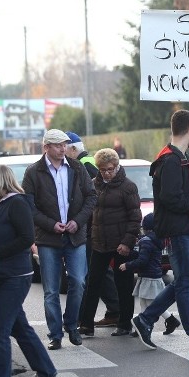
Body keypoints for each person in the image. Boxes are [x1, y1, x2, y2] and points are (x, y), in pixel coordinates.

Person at [131, 109, 189, 351]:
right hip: (178, 229)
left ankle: (145, 319)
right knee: (184, 284)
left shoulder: (177, 158)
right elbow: (171, 197)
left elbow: (180, 190)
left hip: (185, 228)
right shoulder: (171, 160)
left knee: (183, 281)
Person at [0, 165, 57, 377]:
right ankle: (46, 370)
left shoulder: (17, 204)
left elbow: (27, 238)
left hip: (13, 276)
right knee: (19, 327)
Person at [22, 129, 97, 350]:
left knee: (78, 281)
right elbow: (29, 206)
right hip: (48, 238)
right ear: (46, 147)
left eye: (64, 144)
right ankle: (55, 333)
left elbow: (92, 196)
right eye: (57, 145)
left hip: (75, 235)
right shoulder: (34, 172)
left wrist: (78, 221)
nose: (62, 148)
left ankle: (71, 324)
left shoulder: (76, 167)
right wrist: (50, 224)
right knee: (51, 289)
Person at [79, 148, 141, 337]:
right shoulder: (93, 185)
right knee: (92, 283)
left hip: (121, 243)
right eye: (103, 169)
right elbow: (89, 212)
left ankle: (124, 324)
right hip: (99, 242)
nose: (107, 173)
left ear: (116, 167)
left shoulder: (128, 187)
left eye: (110, 169)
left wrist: (127, 242)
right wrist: (88, 236)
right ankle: (86, 324)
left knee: (124, 284)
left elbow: (135, 218)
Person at [66, 130, 121, 328]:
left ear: (73, 148)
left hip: (92, 227)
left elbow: (94, 197)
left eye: (64, 149)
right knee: (94, 272)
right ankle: (106, 312)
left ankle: (112, 311)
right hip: (91, 226)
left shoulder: (86, 165)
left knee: (96, 271)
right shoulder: (86, 162)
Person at [120, 212, 181, 334]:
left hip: (148, 277)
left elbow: (143, 260)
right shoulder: (157, 240)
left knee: (151, 303)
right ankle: (142, 326)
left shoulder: (146, 241)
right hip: (152, 276)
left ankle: (168, 320)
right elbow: (146, 256)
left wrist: (127, 265)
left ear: (145, 228)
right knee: (145, 301)